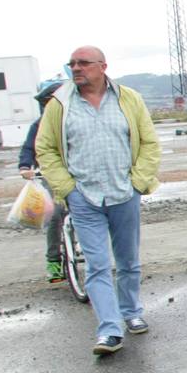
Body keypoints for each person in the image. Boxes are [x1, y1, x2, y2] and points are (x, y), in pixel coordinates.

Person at [35, 46, 161, 357]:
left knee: (128, 260)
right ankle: (109, 329)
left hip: (123, 193)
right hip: (85, 197)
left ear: (102, 66)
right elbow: (46, 148)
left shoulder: (128, 98)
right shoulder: (60, 104)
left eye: (83, 63)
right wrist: (68, 188)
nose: (76, 68)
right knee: (96, 265)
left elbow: (149, 142)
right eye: (72, 64)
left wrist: (138, 182)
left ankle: (131, 311)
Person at [18, 80, 66, 281]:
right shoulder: (39, 125)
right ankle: (53, 260)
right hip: (50, 173)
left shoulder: (76, 118)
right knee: (54, 215)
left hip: (77, 173)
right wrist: (24, 167)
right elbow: (29, 148)